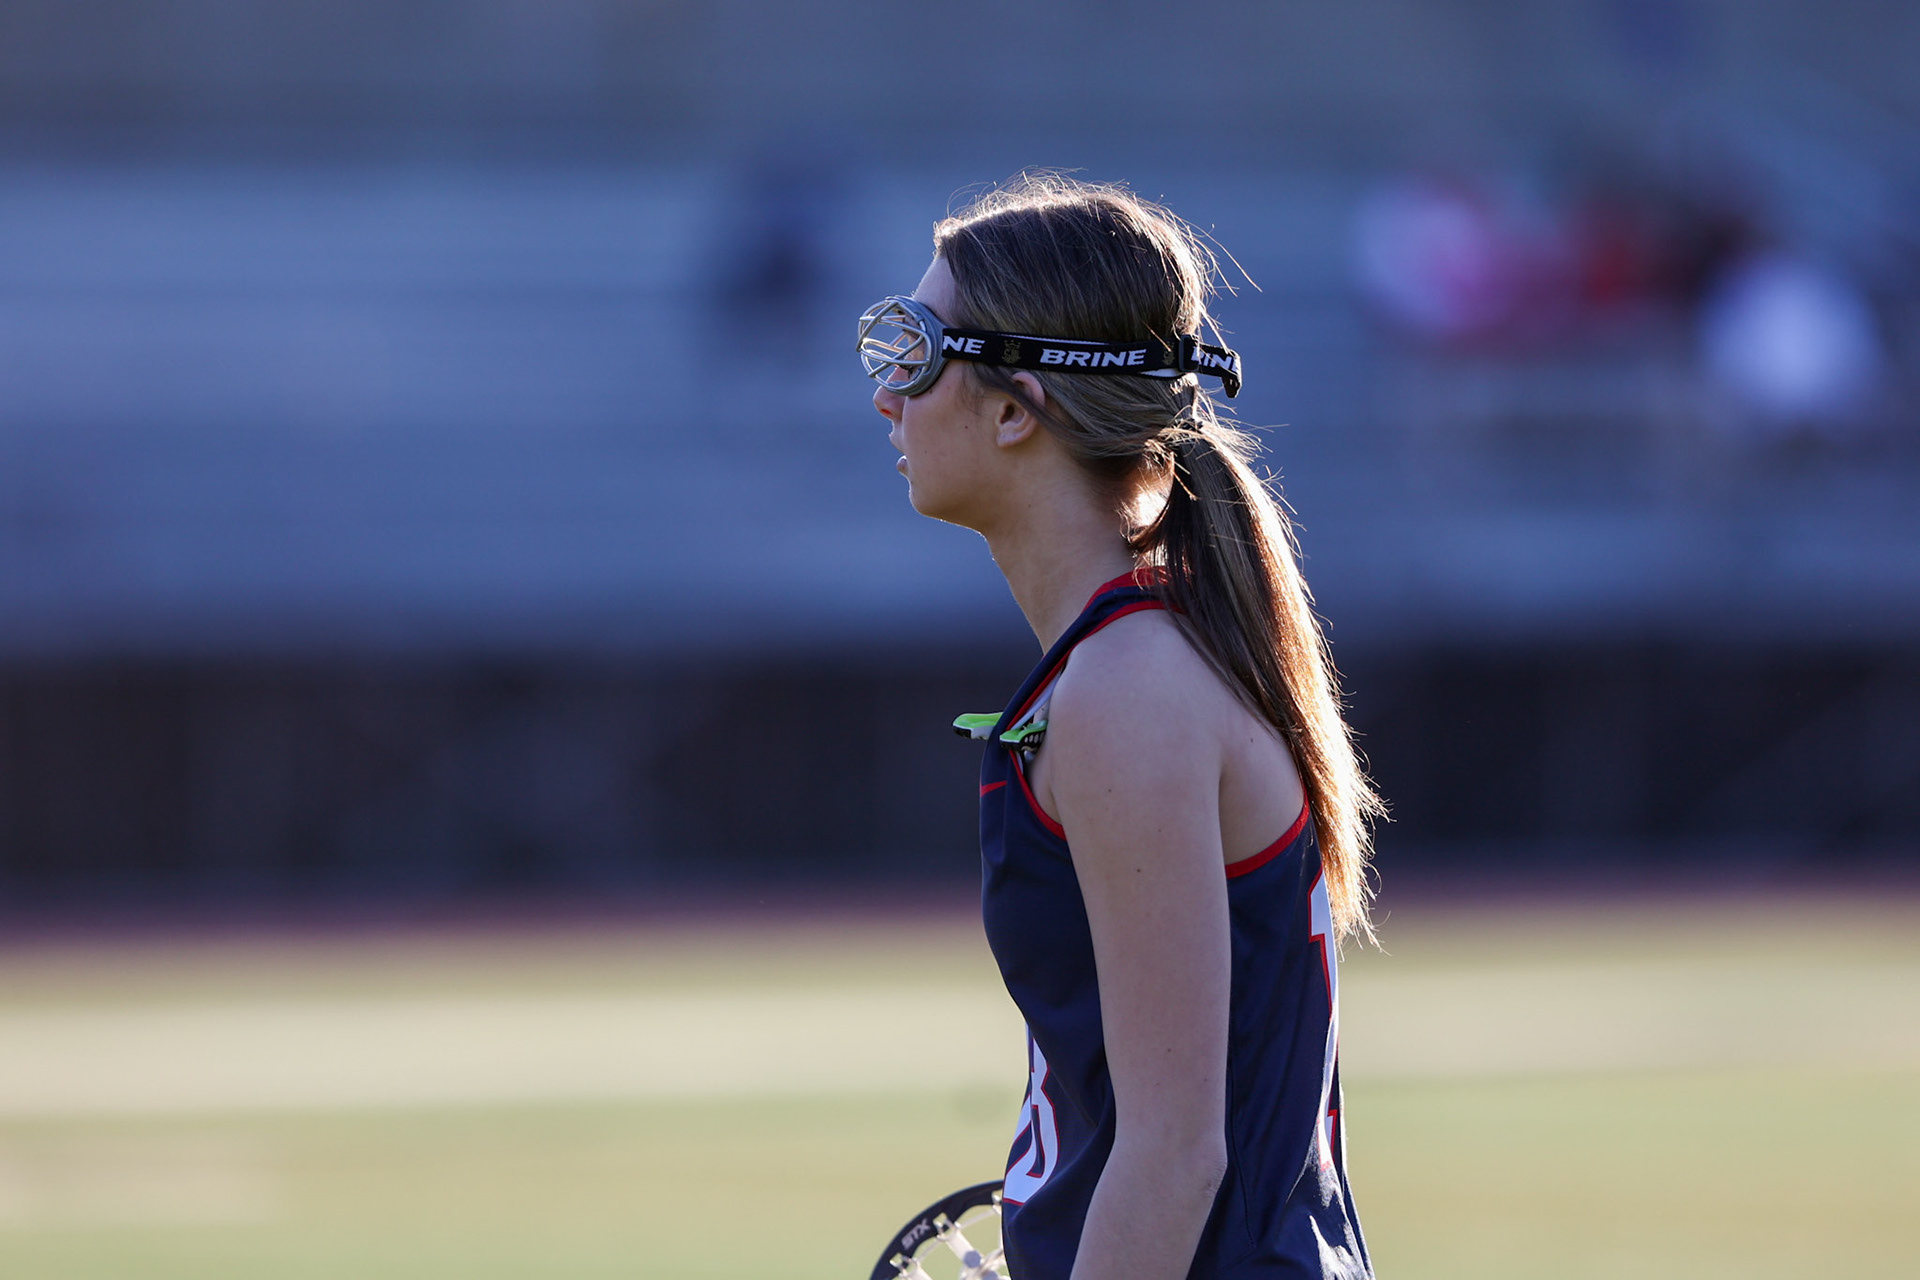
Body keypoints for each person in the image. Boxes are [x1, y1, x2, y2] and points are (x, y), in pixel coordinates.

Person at [858, 175, 1382, 1280]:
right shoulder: (1136, 659)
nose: (886, 400)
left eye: (911, 351)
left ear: (1014, 406)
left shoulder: (1125, 691)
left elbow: (1176, 1152)